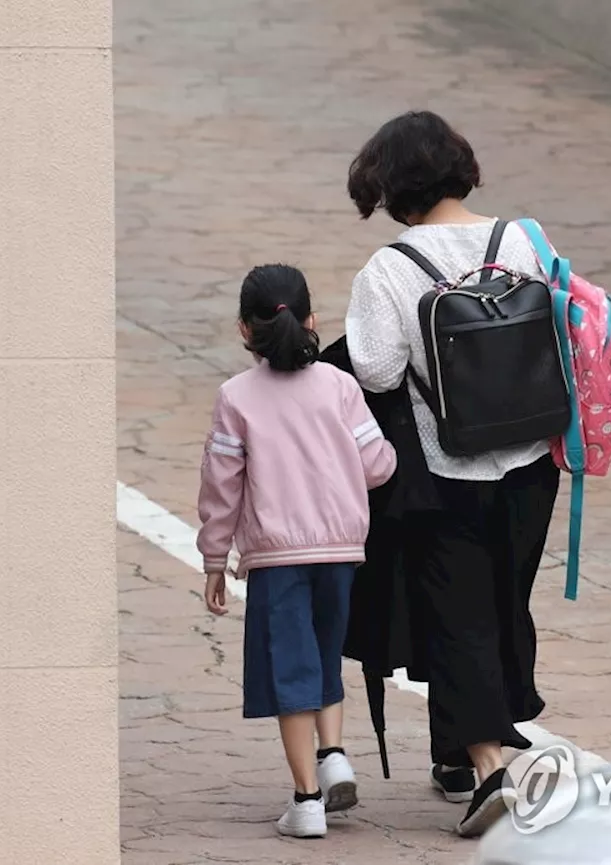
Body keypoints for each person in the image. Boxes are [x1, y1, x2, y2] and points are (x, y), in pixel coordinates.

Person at [344, 110, 560, 837]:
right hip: (533, 459)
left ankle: (489, 764)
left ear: (391, 186)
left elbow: (374, 367)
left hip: (448, 467)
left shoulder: (391, 268)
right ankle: (458, 752)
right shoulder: (524, 239)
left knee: (458, 613)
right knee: (505, 600)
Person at [196, 263, 398, 838]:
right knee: (326, 653)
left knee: (291, 671)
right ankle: (333, 752)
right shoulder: (340, 386)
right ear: (312, 321)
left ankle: (306, 798)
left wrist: (215, 558)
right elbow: (377, 465)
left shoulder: (235, 397)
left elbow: (222, 485)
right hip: (341, 550)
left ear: (244, 329)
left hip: (275, 557)